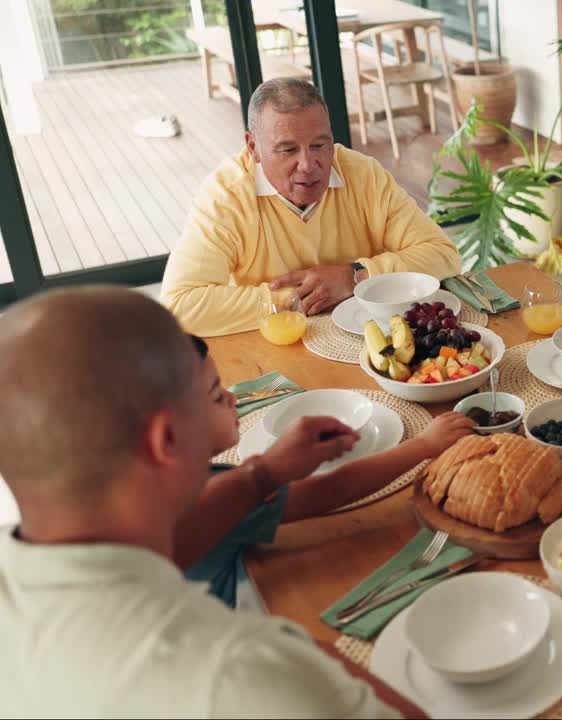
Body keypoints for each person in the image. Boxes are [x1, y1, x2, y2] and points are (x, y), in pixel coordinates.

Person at [0, 287, 402, 717]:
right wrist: (320, 662)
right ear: (167, 439)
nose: (231, 397)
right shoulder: (242, 673)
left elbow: (178, 539)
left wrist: (261, 473)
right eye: (211, 392)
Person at [178, 335, 475, 609]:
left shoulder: (181, 483)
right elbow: (328, 491)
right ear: (166, 433)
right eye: (217, 396)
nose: (233, 398)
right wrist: (423, 445)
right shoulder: (204, 494)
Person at [160, 77, 461, 337]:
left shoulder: (364, 174)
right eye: (288, 149)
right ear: (254, 149)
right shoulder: (226, 195)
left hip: (369, 336)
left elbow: (443, 255)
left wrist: (355, 276)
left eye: (319, 145)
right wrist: (298, 299)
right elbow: (179, 304)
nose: (308, 165)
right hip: (274, 345)